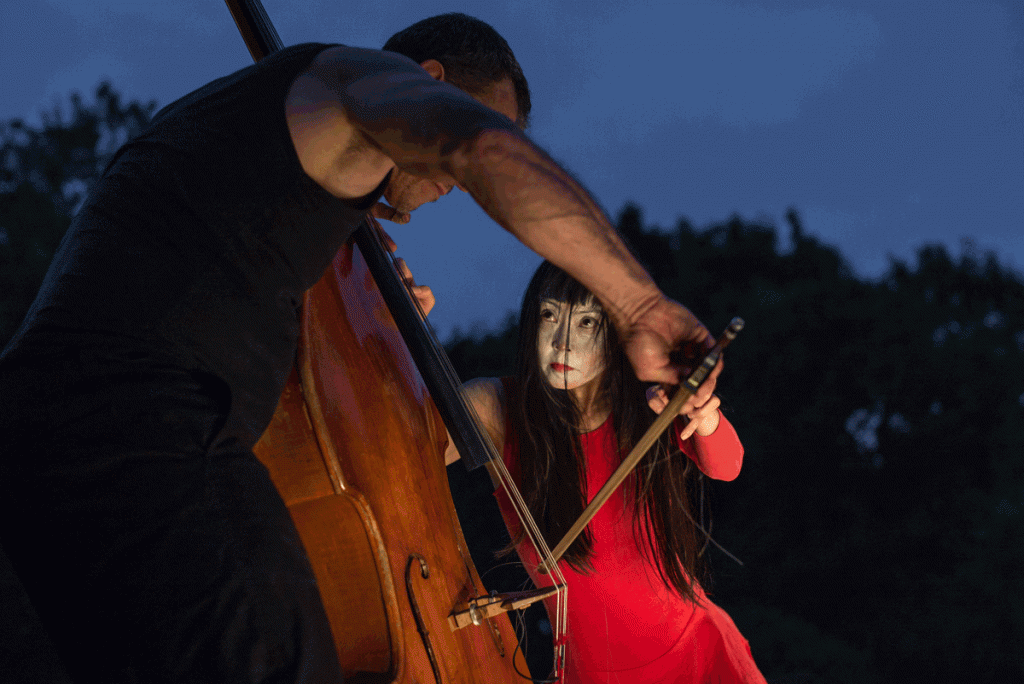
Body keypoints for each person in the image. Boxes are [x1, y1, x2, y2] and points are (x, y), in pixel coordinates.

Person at [0, 13, 721, 684]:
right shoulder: (345, 83)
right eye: (471, 116)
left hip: (84, 432)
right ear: (428, 83)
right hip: (139, 423)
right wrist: (639, 305)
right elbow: (477, 148)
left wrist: (359, 316)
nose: (456, 185)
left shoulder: (262, 154)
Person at [445, 260, 765, 683]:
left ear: (614, 333)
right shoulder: (497, 406)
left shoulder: (647, 400)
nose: (562, 343)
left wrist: (704, 417)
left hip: (697, 653)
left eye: (587, 323)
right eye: (549, 315)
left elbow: (727, 466)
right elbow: (404, 444)